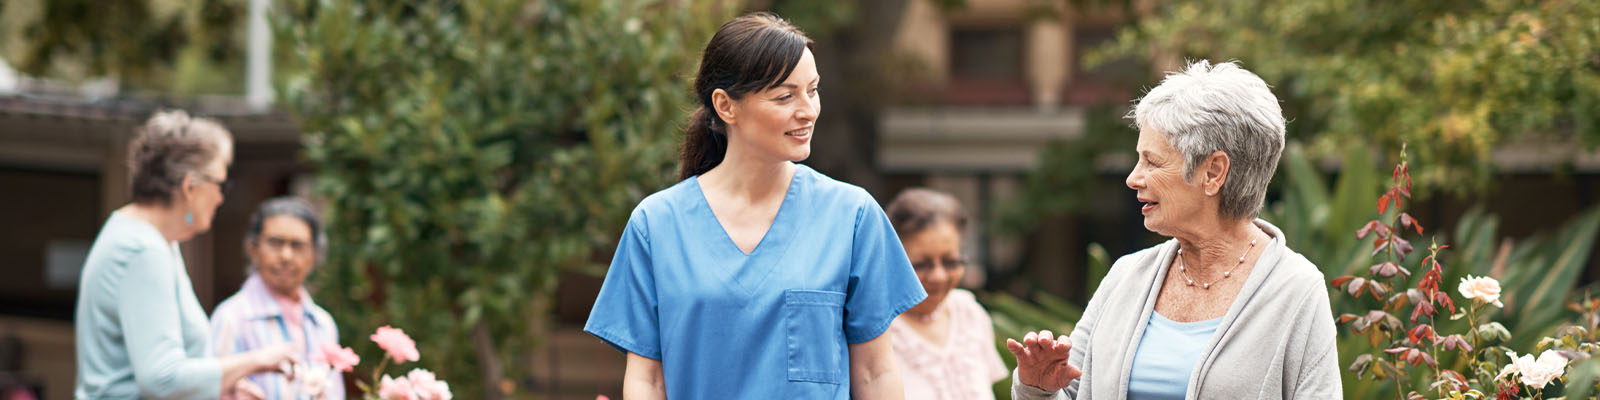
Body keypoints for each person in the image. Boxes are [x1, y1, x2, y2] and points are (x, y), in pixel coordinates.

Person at [583, 12, 927, 400]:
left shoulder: (852, 216)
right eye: (785, 96)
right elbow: (648, 380)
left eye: (812, 90)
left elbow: (874, 373)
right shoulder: (657, 224)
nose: (808, 110)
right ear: (726, 106)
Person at [1006, 60, 1342, 399]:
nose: (1133, 178)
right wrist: (1038, 388)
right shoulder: (1126, 278)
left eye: (1152, 162)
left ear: (1213, 172)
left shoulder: (1295, 289)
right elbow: (1071, 389)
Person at [75, 110, 296, 399]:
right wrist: (256, 361)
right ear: (190, 187)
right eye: (220, 184)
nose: (220, 198)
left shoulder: (150, 239)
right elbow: (161, 379)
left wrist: (223, 385)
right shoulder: (142, 250)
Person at [211, 198, 345, 399]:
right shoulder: (232, 317)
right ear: (253, 249)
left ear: (314, 256)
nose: (286, 255)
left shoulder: (322, 324)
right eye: (275, 243)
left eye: (297, 245)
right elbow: (210, 389)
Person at [884, 189, 1008, 399]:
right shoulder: (874, 326)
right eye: (921, 265)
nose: (938, 276)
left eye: (951, 262)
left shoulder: (969, 313)